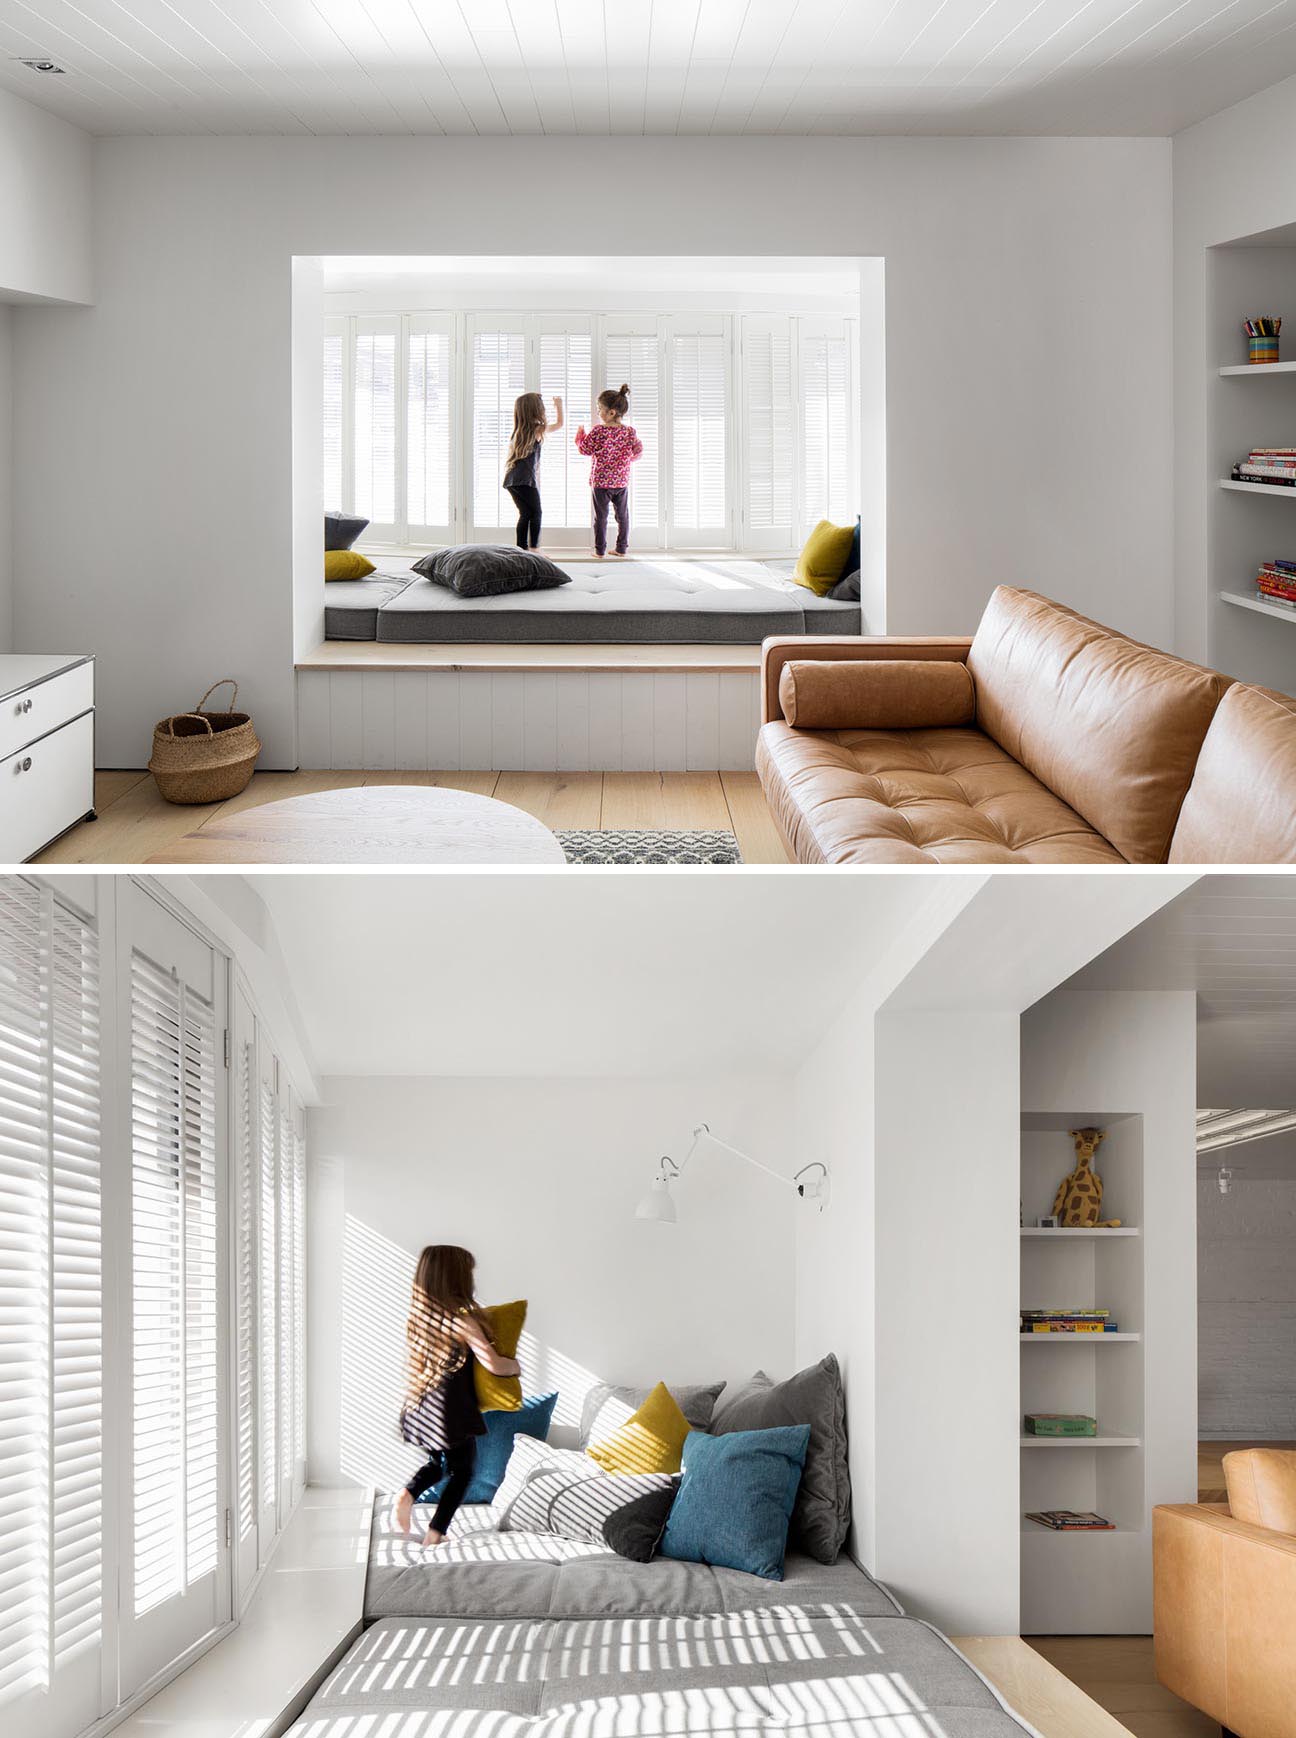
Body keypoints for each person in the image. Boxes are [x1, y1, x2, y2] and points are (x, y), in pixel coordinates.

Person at [395, 1244, 520, 1548]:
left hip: (424, 1406)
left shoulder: (422, 1320)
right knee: (464, 1470)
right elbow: (492, 1363)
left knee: (441, 1462)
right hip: (451, 1411)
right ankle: (435, 1533)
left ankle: (408, 1495)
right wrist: (514, 1366)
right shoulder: (462, 1321)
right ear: (456, 1279)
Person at [575, 385, 643, 557]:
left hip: (601, 483)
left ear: (611, 412)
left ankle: (599, 551)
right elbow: (638, 451)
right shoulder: (629, 432)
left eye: (600, 410)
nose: (598, 413)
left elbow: (585, 450)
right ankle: (621, 548)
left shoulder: (599, 431)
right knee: (622, 516)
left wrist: (580, 436)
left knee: (601, 518)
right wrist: (628, 459)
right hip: (621, 482)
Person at [503, 392, 563, 549]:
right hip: (524, 481)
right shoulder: (536, 429)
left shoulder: (519, 431)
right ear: (536, 410)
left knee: (525, 514)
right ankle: (535, 549)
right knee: (536, 513)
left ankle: (521, 549)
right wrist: (559, 406)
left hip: (512, 480)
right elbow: (559, 424)